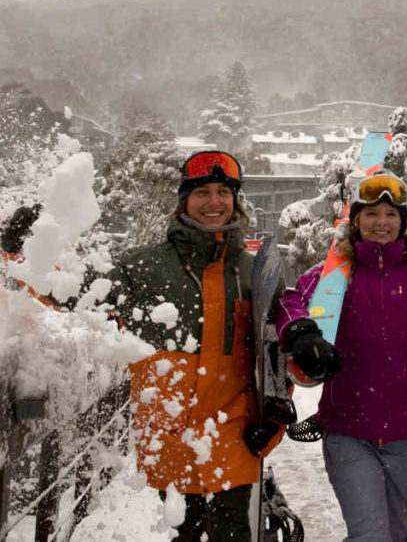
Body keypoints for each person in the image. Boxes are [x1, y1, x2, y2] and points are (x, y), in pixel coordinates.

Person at [276, 171, 407, 541]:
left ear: (403, 221)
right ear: (356, 220)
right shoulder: (336, 273)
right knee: (370, 533)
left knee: (397, 533)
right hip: (347, 432)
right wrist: (301, 333)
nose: (381, 222)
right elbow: (291, 301)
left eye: (391, 214)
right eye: (371, 213)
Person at [104, 150, 285, 542]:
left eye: (224, 191)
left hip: (234, 431)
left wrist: (277, 411)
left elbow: (277, 352)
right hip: (170, 436)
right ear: (184, 200)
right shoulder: (142, 268)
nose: (214, 202)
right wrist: (22, 254)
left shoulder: (254, 272)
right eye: (202, 192)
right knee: (184, 532)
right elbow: (80, 293)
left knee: (230, 531)